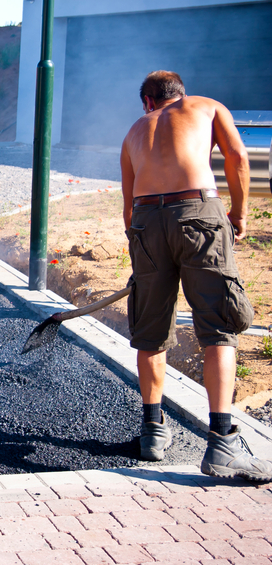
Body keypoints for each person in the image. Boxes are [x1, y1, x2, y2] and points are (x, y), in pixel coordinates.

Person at [120, 71, 271, 480]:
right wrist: (238, 212)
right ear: (178, 95)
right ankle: (222, 441)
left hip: (146, 221)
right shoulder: (206, 106)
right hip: (198, 213)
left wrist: (146, 250)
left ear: (148, 102)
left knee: (150, 329)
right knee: (218, 325)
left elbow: (128, 208)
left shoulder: (135, 130)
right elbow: (238, 157)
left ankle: (153, 431)